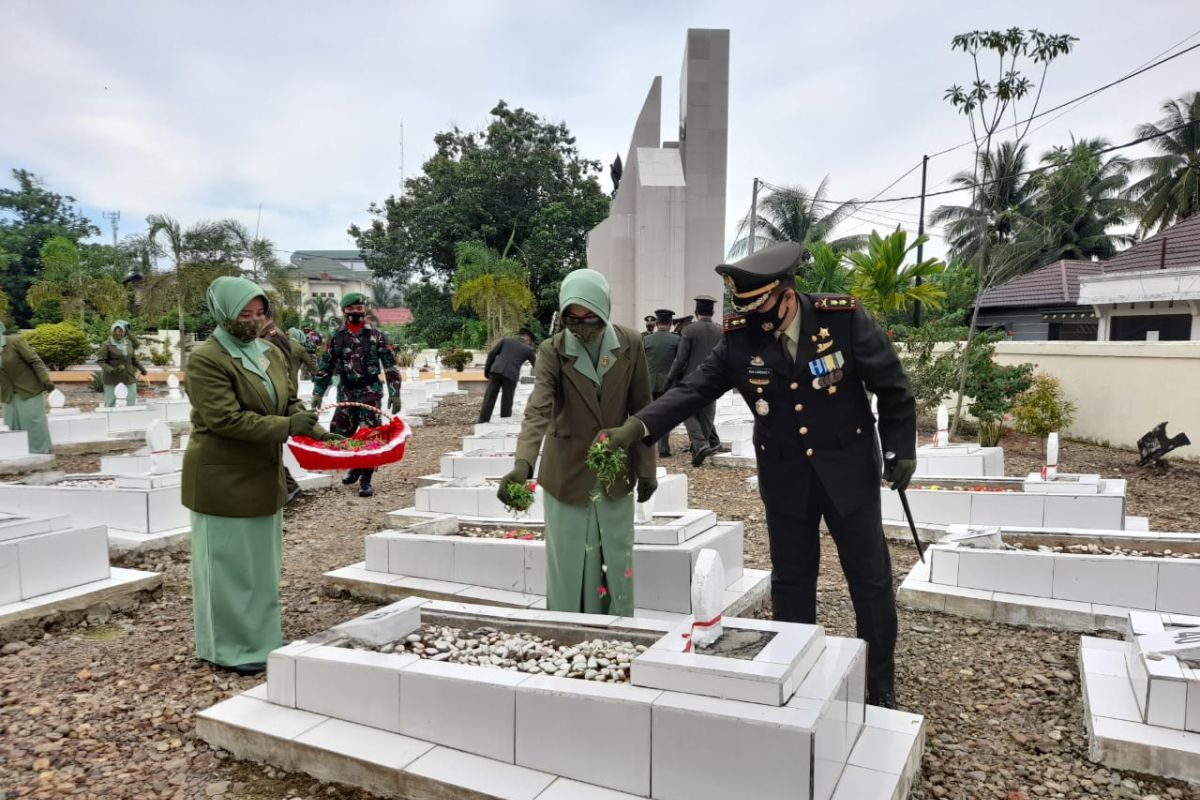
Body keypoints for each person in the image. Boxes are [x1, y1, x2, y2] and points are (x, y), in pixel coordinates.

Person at [597, 243, 916, 708]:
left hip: (848, 469)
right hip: (786, 473)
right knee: (791, 578)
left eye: (763, 305)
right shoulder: (742, 335)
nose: (758, 318)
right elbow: (693, 388)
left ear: (786, 293)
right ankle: (798, 666)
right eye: (747, 308)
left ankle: (879, 681)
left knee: (868, 579)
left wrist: (898, 449)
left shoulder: (841, 319)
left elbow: (893, 386)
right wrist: (638, 427)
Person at [182, 276, 332, 675]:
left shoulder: (268, 351)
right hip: (223, 477)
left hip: (263, 474)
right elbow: (226, 420)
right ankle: (229, 648)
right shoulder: (206, 359)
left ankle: (261, 638)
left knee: (261, 567)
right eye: (244, 314)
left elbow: (290, 400)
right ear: (222, 313)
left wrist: (319, 432)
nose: (253, 321)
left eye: (259, 313)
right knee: (229, 568)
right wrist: (289, 428)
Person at [497, 269, 656, 616]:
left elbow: (643, 407)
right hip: (567, 470)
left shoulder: (630, 343)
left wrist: (647, 469)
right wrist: (523, 464)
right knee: (568, 558)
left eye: (589, 316)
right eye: (572, 316)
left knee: (616, 552)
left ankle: (619, 625)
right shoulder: (552, 350)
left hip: (615, 467)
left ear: (604, 309)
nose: (581, 324)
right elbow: (537, 409)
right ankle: (568, 625)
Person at [311, 292, 402, 498]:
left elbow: (390, 366)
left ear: (364, 310)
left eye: (359, 308)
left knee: (370, 435)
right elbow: (326, 365)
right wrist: (318, 392)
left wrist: (395, 393)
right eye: (351, 309)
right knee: (341, 432)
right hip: (346, 392)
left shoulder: (376, 336)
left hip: (370, 392)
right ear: (344, 311)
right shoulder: (336, 337)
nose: (356, 312)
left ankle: (366, 480)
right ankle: (356, 465)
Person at [260, 319, 317, 503]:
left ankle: (290, 489)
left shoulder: (272, 337)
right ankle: (287, 489)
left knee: (271, 446)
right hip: (285, 391)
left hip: (280, 393)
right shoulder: (294, 345)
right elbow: (311, 365)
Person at [667, 295, 724, 466]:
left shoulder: (689, 330)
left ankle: (699, 445)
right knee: (707, 416)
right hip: (714, 379)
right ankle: (699, 450)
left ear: (696, 312)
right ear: (712, 311)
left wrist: (671, 378)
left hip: (692, 378)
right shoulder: (720, 330)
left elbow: (680, 359)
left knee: (686, 411)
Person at [0, 322, 55, 454]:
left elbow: (34, 361)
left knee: (33, 422)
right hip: (7, 394)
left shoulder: (14, 341)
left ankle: (40, 452)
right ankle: (18, 453)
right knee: (12, 425)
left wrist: (46, 381)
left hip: (29, 388)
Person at [641, 309, 680, 457]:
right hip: (668, 384)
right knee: (665, 416)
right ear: (670, 324)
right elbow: (680, 362)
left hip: (649, 383)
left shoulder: (646, 340)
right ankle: (663, 449)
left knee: (649, 415)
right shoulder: (676, 340)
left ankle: (647, 445)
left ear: (656, 324)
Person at [479, 328, 536, 423]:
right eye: (531, 342)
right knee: (507, 401)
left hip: (496, 371)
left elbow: (492, 354)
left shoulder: (506, 340)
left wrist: (487, 371)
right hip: (511, 375)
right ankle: (504, 423)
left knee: (489, 398)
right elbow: (537, 366)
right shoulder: (528, 349)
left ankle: (482, 422)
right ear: (528, 339)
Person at [96, 320, 147, 407]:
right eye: (116, 331)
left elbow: (133, 359)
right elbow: (100, 361)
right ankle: (111, 417)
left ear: (124, 332)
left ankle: (129, 417)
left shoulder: (128, 343)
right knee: (111, 401)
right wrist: (112, 370)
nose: (118, 333)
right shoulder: (107, 344)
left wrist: (142, 369)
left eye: (120, 331)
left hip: (128, 375)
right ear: (112, 332)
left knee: (131, 398)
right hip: (112, 377)